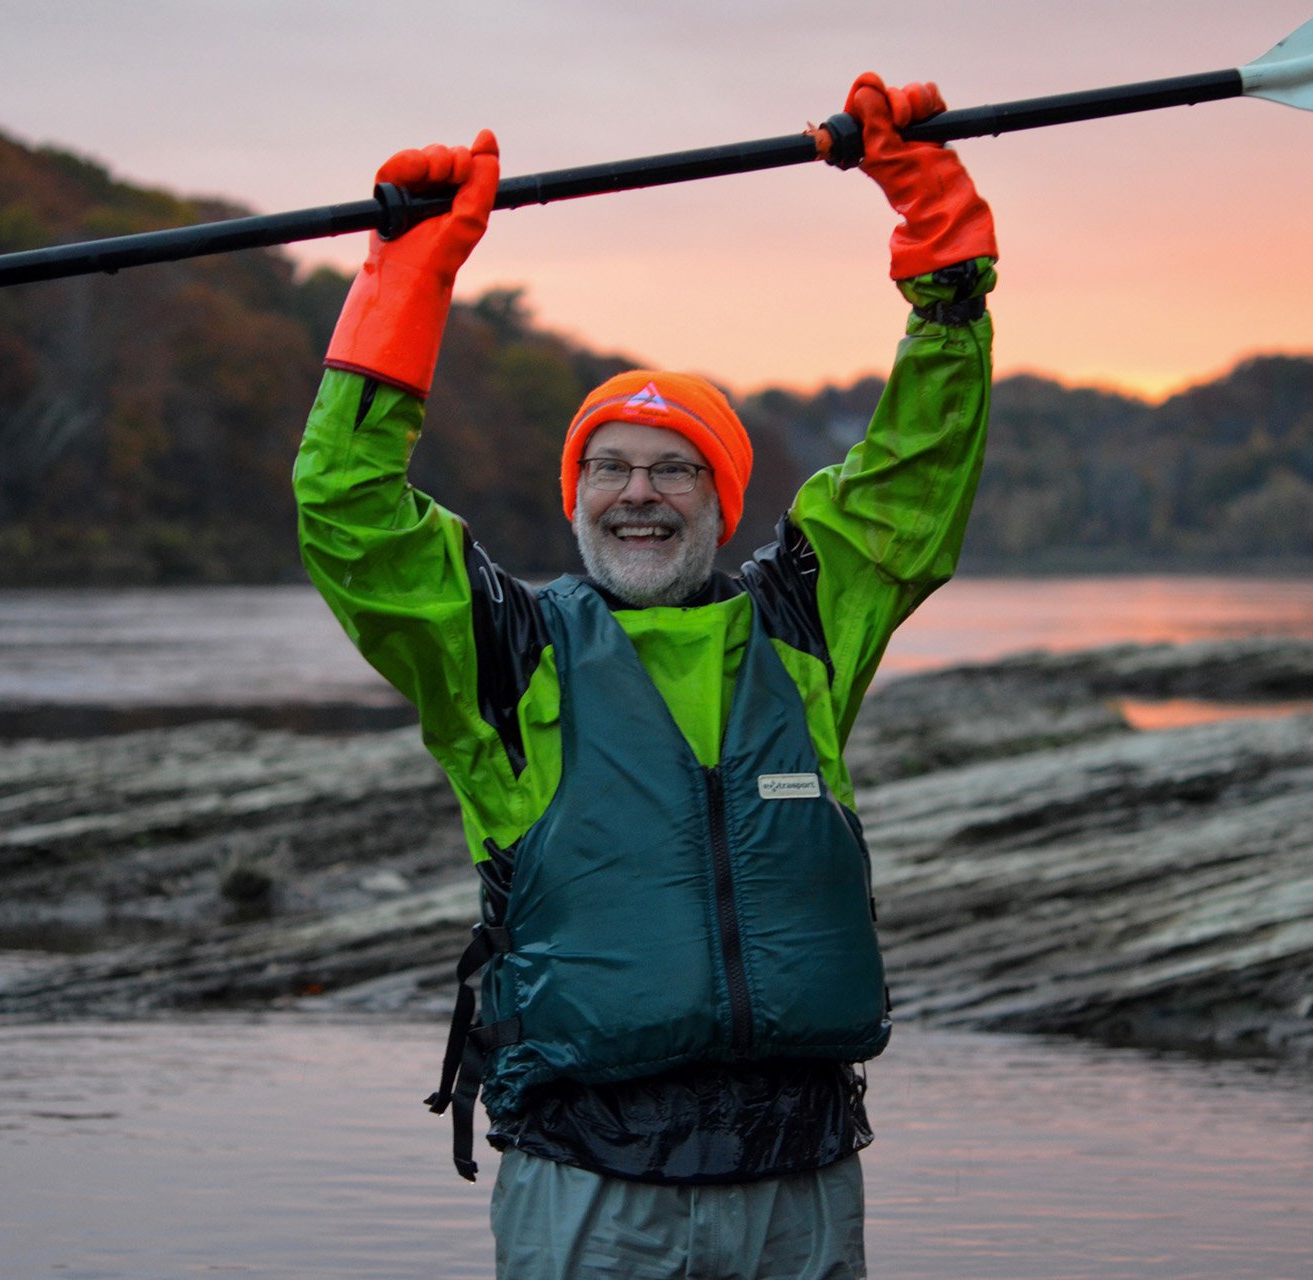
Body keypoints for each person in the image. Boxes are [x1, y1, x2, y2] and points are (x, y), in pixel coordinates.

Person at [295, 71, 996, 1280]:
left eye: (675, 470)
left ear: (722, 503)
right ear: (573, 498)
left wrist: (942, 255)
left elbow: (915, 474)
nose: (638, 493)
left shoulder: (804, 623)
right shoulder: (501, 652)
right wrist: (408, 277)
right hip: (589, 1189)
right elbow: (348, 511)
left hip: (804, 1182)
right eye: (608, 467)